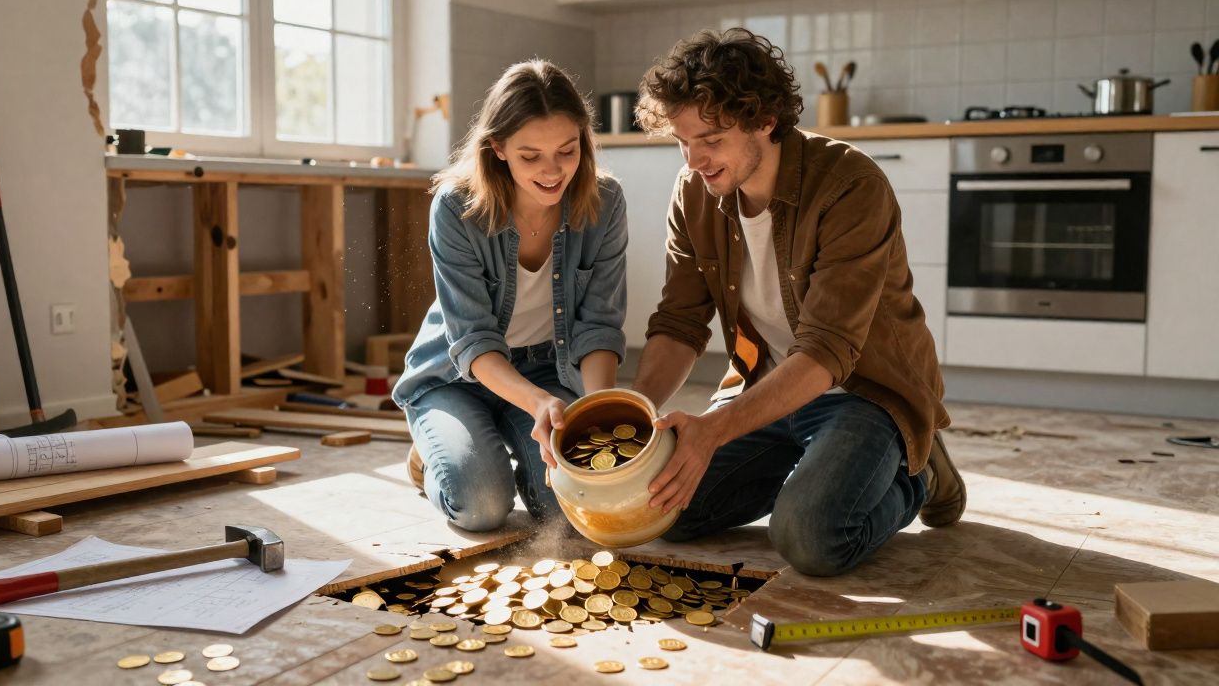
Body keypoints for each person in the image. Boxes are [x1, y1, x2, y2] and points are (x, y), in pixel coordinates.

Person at [629, 28, 964, 576]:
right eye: (682, 142)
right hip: (763, 385)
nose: (693, 161)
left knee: (809, 538)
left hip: (863, 391)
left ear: (764, 119)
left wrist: (714, 431)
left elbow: (828, 352)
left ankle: (916, 471)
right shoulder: (695, 192)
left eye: (710, 140)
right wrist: (635, 413)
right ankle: (825, 463)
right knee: (662, 508)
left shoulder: (850, 185)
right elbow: (680, 322)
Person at [392, 59, 628, 533]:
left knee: (567, 511)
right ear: (497, 148)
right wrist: (537, 404)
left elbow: (598, 325)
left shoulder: (605, 202)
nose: (552, 171)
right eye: (530, 156)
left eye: (567, 150)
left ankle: (499, 441)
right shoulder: (456, 207)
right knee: (480, 505)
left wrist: (597, 416)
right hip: (456, 377)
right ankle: (434, 451)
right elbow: (474, 339)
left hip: (548, 370)